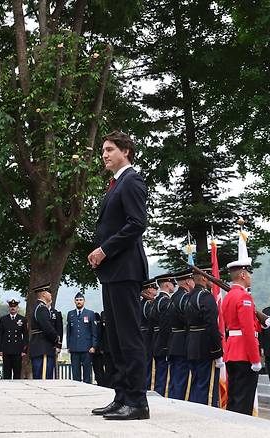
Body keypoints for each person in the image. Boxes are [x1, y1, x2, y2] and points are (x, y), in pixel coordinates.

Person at [88, 131, 149, 420]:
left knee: (128, 336)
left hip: (125, 269)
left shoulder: (132, 180)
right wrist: (101, 252)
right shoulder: (114, 184)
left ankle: (137, 401)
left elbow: (137, 223)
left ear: (125, 151)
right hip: (112, 271)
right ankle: (121, 395)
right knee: (115, 337)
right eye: (103, 150)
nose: (104, 154)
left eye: (110, 149)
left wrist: (105, 250)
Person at [221, 258, 261, 415]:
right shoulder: (244, 297)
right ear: (243, 275)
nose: (251, 277)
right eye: (249, 274)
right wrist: (255, 359)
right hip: (244, 352)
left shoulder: (228, 296)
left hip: (232, 350)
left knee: (235, 396)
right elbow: (248, 330)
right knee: (244, 400)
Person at [184, 267, 223, 407]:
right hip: (205, 347)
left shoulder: (189, 296)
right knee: (207, 386)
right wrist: (217, 351)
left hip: (192, 345)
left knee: (196, 383)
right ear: (204, 278)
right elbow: (212, 325)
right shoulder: (205, 296)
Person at [166, 269, 193, 400]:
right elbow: (188, 319)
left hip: (173, 341)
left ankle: (173, 400)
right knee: (182, 380)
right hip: (183, 341)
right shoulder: (185, 297)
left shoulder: (173, 298)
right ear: (188, 281)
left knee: (175, 378)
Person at [149, 274, 175, 396]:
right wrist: (167, 344)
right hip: (163, 342)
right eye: (172, 283)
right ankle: (161, 395)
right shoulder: (165, 301)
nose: (174, 285)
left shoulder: (155, 301)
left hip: (155, 340)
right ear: (166, 285)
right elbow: (166, 326)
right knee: (163, 374)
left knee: (159, 372)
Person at [29, 284, 61, 379]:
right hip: (43, 347)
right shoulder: (42, 308)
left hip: (39, 346)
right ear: (43, 294)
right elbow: (47, 327)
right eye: (49, 293)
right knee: (44, 378)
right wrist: (56, 338)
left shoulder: (37, 307)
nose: (51, 295)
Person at [66, 292, 98, 383]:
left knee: (87, 373)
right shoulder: (70, 314)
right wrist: (69, 345)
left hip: (87, 348)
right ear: (74, 302)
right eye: (77, 300)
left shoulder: (90, 313)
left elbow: (94, 331)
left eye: (80, 300)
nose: (78, 302)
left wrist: (94, 346)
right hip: (74, 347)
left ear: (84, 301)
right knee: (75, 374)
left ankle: (87, 391)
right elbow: (69, 331)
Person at [0, 298, 28, 379]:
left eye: (15, 306)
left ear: (17, 307)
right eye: (11, 306)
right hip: (6, 349)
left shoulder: (22, 319)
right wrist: (0, 349)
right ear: (9, 308)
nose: (13, 308)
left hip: (18, 350)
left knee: (17, 373)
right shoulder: (3, 319)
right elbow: (0, 335)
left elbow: (25, 336)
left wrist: (25, 350)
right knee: (6, 373)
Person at [140, 279, 157, 390]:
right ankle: (146, 385)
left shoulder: (142, 302)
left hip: (142, 334)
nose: (156, 290)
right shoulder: (147, 303)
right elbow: (151, 318)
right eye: (154, 288)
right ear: (149, 290)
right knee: (147, 362)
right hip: (146, 334)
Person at [92, 311, 110, 387]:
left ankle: (104, 383)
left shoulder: (102, 317)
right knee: (98, 369)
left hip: (102, 349)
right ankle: (103, 383)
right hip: (98, 350)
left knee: (101, 369)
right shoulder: (99, 318)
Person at [51, 304, 64, 377]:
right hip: (43, 345)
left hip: (54, 345)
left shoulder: (56, 313)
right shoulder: (41, 312)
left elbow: (59, 330)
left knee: (54, 370)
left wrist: (59, 345)